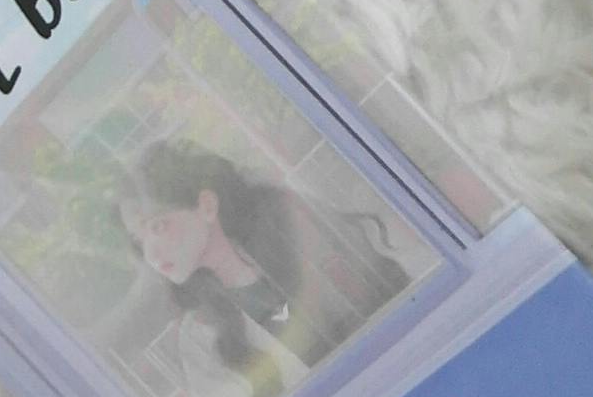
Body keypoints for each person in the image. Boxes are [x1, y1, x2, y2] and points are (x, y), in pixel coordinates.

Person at [122, 140, 418, 382]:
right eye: (139, 240)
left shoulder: (291, 227)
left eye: (158, 226)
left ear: (207, 206)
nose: (152, 254)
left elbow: (384, 305)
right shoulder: (201, 333)